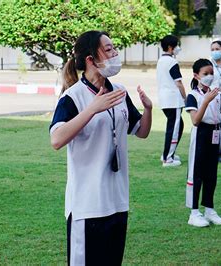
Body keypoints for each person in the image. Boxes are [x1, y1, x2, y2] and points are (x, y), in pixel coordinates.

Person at [50, 30, 152, 265]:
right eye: (108, 49)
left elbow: (142, 131)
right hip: (87, 207)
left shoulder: (119, 91)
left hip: (117, 201)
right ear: (90, 59)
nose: (115, 53)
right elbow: (56, 140)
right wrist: (92, 109)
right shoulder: (72, 97)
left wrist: (147, 109)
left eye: (114, 48)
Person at [185, 59, 221, 227]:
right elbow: (195, 120)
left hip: (215, 134)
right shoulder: (193, 95)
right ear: (196, 76)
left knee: (211, 173)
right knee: (197, 173)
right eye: (205, 74)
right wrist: (206, 100)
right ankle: (194, 213)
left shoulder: (217, 94)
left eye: (211, 73)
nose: (209, 76)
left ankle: (209, 209)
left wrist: (214, 97)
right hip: (201, 134)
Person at [157, 34, 187, 167]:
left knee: (178, 126)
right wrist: (186, 98)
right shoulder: (172, 62)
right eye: (176, 45)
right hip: (173, 100)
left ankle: (168, 153)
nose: (178, 48)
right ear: (170, 47)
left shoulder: (161, 60)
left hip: (164, 99)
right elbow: (179, 83)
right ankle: (168, 159)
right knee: (174, 129)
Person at [210, 40, 221, 163]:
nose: (215, 52)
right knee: (215, 127)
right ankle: (215, 153)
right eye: (212, 49)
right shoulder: (209, 65)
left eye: (217, 49)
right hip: (214, 99)